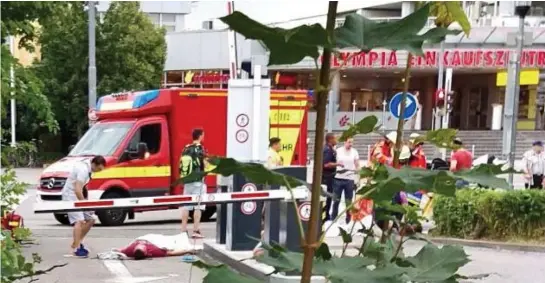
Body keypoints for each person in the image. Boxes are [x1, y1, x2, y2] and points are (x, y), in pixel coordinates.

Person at [62, 155, 106, 257]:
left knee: (91, 219)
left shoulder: (88, 167)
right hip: (70, 196)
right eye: (99, 169)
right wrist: (85, 205)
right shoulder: (83, 170)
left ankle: (78, 242)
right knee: (79, 221)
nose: (98, 171)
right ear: (94, 164)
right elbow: (77, 190)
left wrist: (86, 203)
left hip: (77, 195)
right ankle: (76, 249)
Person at [179, 128, 207, 238]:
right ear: (200, 136)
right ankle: (195, 230)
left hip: (187, 181)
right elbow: (205, 164)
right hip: (198, 182)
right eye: (203, 135)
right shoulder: (201, 149)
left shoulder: (186, 148)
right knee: (198, 206)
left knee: (186, 206)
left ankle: (183, 230)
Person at [332, 138, 359, 224]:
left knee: (348, 202)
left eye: (352, 142)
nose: (350, 144)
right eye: (349, 142)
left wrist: (357, 178)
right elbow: (333, 162)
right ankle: (333, 219)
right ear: (345, 142)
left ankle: (348, 220)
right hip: (338, 179)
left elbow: (357, 165)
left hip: (349, 180)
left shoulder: (354, 152)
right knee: (336, 200)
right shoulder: (338, 151)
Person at [114, 233, 196, 260]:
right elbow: (170, 253)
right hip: (153, 241)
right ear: (146, 252)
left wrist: (116, 250)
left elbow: (121, 250)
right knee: (169, 241)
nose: (141, 245)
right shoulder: (153, 251)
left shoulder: (130, 249)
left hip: (146, 237)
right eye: (142, 247)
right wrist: (187, 251)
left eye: (139, 246)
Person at [322, 133, 341, 222]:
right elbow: (326, 164)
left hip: (329, 176)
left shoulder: (330, 149)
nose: (336, 140)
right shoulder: (327, 150)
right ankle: (325, 215)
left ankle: (326, 214)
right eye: (335, 139)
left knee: (329, 196)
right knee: (327, 196)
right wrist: (338, 164)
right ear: (330, 140)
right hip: (327, 177)